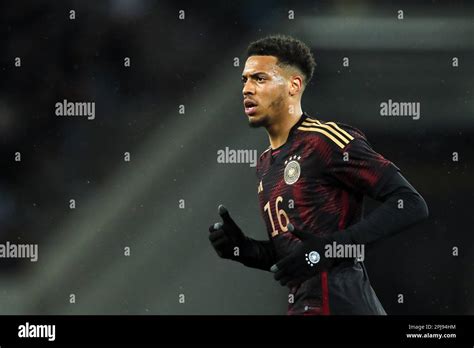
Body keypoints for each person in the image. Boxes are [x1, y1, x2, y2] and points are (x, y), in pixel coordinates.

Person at [208, 35, 429, 315]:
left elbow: (410, 203)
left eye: (260, 79)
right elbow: (301, 255)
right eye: (245, 80)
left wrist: (334, 247)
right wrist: (247, 250)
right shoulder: (265, 164)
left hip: (341, 303)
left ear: (293, 85)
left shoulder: (324, 141)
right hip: (304, 305)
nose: (247, 89)